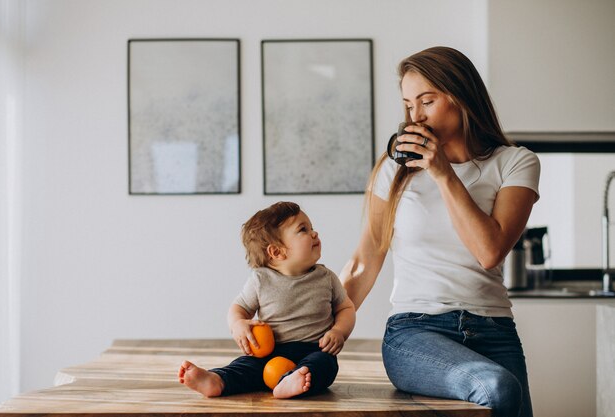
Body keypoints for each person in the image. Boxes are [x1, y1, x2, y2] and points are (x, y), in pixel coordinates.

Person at [340, 46, 539, 417]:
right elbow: (363, 261)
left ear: (460, 96)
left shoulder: (514, 163)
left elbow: (489, 250)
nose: (416, 116)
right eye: (408, 105)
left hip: (495, 331)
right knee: (497, 387)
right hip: (415, 332)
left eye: (426, 101)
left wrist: (442, 172)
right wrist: (312, 330)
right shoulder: (394, 169)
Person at [179, 201, 356, 399]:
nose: (314, 233)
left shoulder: (326, 277)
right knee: (245, 365)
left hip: (314, 349)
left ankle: (292, 380)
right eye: (303, 229)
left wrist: (339, 331)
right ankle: (217, 380)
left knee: (325, 365)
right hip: (269, 353)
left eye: (312, 227)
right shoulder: (261, 280)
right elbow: (239, 308)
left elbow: (346, 308)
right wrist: (238, 324)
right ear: (277, 252)